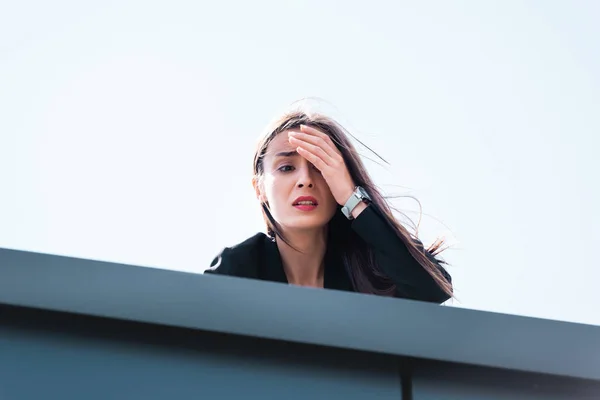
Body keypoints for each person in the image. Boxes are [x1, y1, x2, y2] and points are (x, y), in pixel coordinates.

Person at [204, 108, 453, 303]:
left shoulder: (370, 267)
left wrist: (352, 198)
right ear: (259, 189)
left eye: (320, 167)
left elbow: (433, 289)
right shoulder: (239, 267)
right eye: (287, 168)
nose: (305, 180)